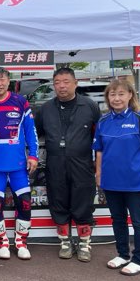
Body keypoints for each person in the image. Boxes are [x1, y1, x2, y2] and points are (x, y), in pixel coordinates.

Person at [93, 79, 140, 276]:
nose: (117, 98)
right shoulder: (103, 122)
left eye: (121, 94)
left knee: (139, 222)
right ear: (107, 98)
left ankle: (139, 260)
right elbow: (99, 152)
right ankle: (122, 254)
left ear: (130, 95)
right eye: (112, 94)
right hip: (111, 181)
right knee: (118, 220)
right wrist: (99, 175)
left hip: (136, 182)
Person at [35, 68, 101, 262]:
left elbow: (100, 138)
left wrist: (99, 165)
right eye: (57, 82)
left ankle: (84, 243)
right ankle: (65, 242)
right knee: (58, 201)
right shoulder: (45, 109)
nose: (61, 86)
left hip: (82, 163)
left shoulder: (90, 106)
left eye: (66, 82)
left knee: (83, 203)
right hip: (55, 163)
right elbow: (34, 134)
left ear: (75, 83)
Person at [0, 67, 38, 260]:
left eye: (2, 79)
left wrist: (33, 155)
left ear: (8, 81)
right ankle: (1, 241)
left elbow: (30, 130)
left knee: (25, 201)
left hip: (18, 164)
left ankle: (21, 242)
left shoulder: (20, 101)